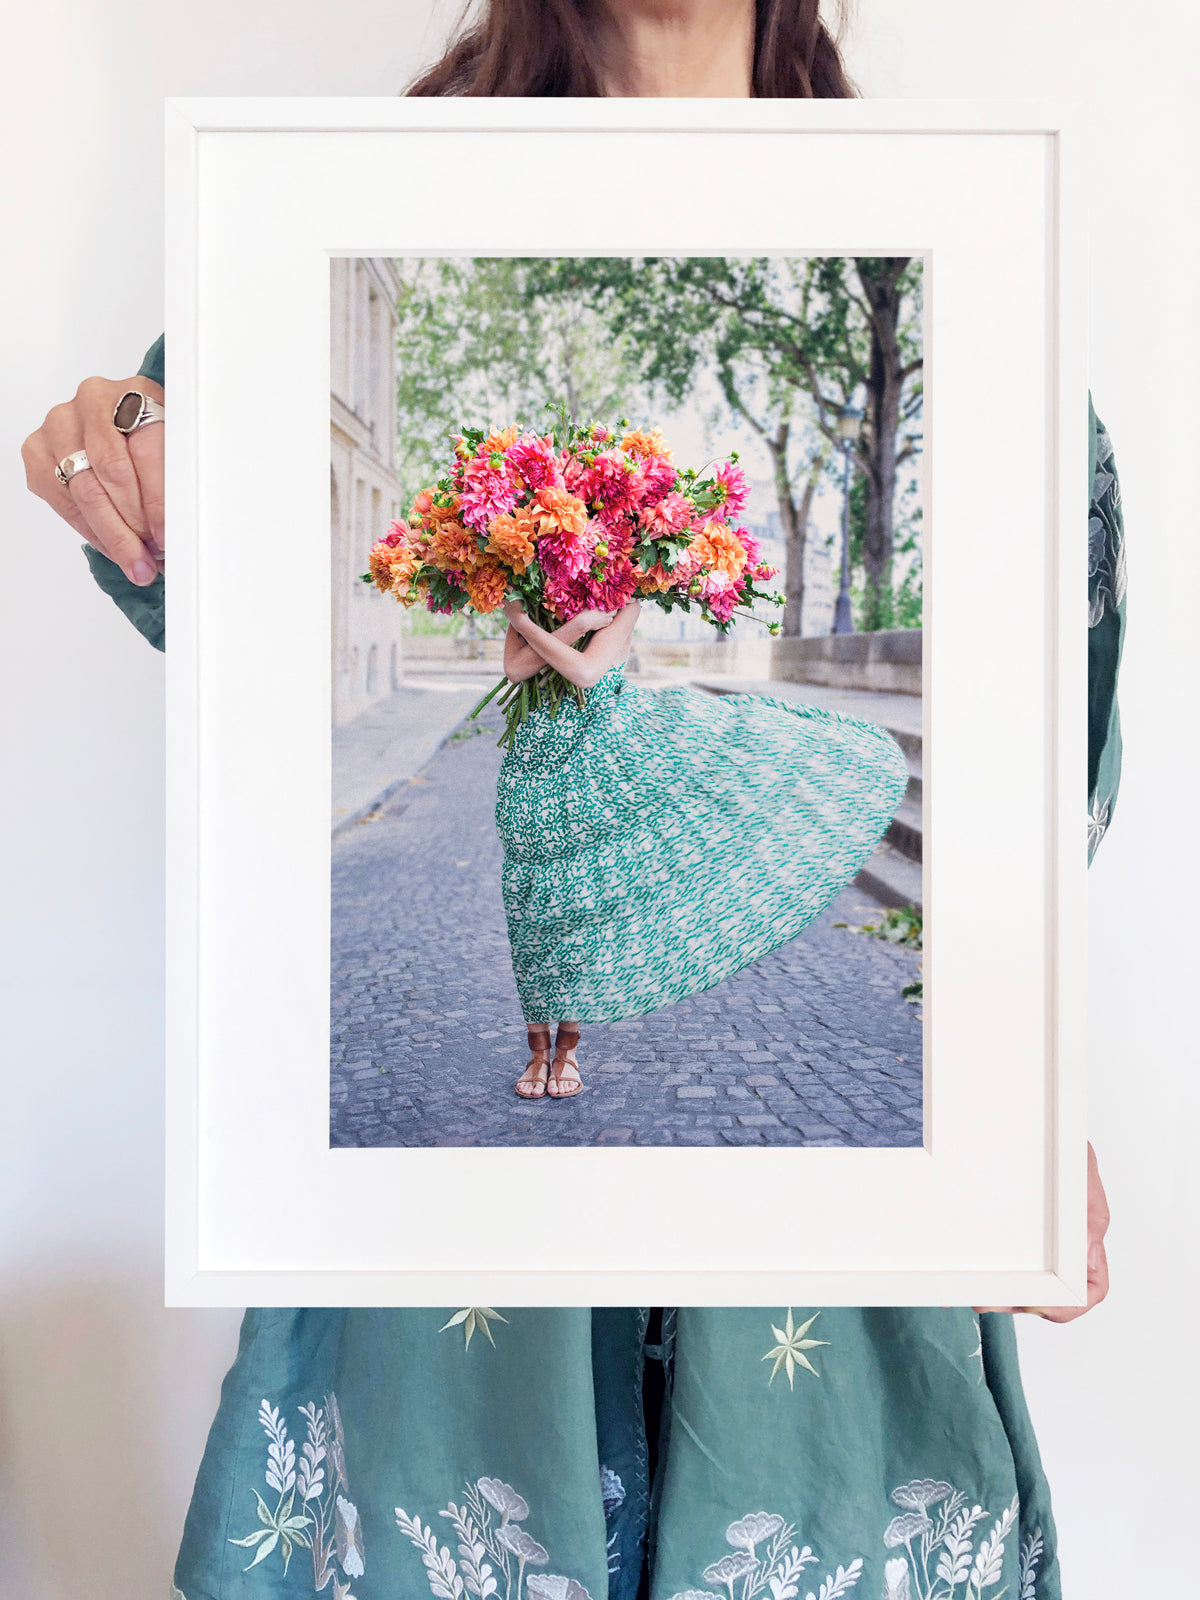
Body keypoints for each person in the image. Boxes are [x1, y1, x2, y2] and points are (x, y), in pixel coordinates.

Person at [20, 2, 1124, 1597]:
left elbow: (1051, 766)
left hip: (839, 1320)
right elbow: (225, 640)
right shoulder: (307, 223)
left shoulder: (968, 253)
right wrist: (120, 455)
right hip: (446, 1329)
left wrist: (1029, 1064)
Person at [498, 588, 908, 1097]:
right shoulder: (531, 590)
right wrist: (533, 617)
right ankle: (535, 1049)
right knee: (530, 907)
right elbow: (516, 672)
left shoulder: (622, 600)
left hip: (595, 766)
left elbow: (585, 673)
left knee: (580, 904)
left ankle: (567, 1051)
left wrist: (566, 625)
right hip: (529, 766)